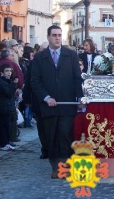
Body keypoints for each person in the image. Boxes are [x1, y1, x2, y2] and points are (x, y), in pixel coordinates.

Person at [31, 25, 83, 179]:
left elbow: (77, 78)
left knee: (65, 133)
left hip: (67, 104)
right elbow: (35, 81)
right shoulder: (40, 58)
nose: (57, 38)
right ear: (48, 37)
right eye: (54, 35)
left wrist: (80, 98)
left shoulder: (71, 55)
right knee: (51, 135)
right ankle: (55, 166)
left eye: (59, 35)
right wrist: (46, 97)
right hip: (49, 105)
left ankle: (66, 165)